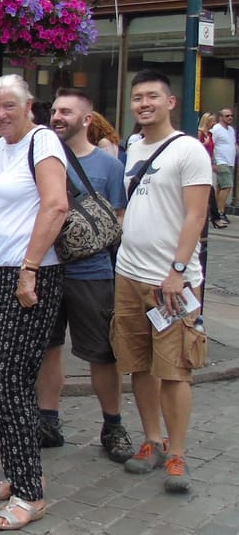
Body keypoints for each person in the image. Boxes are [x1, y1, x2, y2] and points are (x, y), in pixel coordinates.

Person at [0, 74, 68, 531]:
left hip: (31, 276)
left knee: (7, 378)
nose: (0, 114)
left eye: (9, 106)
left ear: (29, 106)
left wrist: (29, 268)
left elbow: (56, 206)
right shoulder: (2, 148)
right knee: (5, 381)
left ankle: (30, 492)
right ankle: (17, 472)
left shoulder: (42, 143)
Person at [112, 69, 211, 493]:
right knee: (138, 363)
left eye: (152, 96)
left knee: (175, 370)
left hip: (169, 281)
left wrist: (177, 271)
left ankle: (178, 454)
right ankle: (152, 439)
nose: (143, 104)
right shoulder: (133, 146)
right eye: (137, 98)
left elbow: (196, 214)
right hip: (128, 274)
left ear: (170, 102)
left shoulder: (189, 150)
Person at [35, 88, 134, 463]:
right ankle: (48, 420)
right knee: (48, 347)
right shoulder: (41, 159)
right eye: (56, 111)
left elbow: (119, 219)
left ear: (87, 119)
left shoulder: (109, 167)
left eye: (67, 111)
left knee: (102, 353)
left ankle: (113, 425)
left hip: (92, 272)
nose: (58, 117)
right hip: (46, 268)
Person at [198, 112, 227, 229]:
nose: (213, 124)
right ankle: (215, 218)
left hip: (208, 163)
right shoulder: (199, 132)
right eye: (212, 121)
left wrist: (214, 163)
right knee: (209, 191)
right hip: (200, 165)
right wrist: (203, 144)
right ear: (206, 121)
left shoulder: (210, 134)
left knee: (210, 191)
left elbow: (213, 150)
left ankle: (215, 218)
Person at [211, 107, 237, 223]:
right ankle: (221, 211)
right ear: (221, 117)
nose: (230, 117)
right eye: (227, 116)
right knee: (227, 186)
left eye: (231, 115)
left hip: (230, 161)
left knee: (221, 187)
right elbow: (212, 145)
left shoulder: (231, 130)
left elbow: (233, 144)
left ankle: (215, 212)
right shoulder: (216, 129)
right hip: (221, 161)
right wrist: (214, 162)